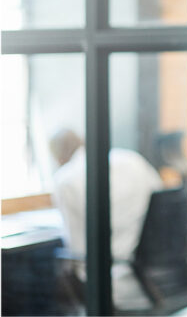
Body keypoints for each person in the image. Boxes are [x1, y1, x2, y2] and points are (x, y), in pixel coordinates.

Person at [49, 128, 164, 308]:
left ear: (57, 156)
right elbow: (163, 206)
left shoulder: (65, 179)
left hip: (109, 285)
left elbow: (77, 247)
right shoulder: (133, 160)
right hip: (161, 276)